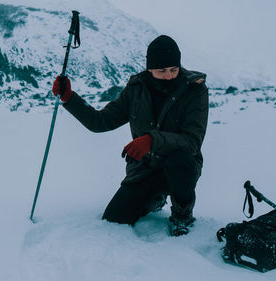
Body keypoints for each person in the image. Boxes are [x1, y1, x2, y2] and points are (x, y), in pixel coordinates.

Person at [52, 35, 209, 236]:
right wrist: (69, 98)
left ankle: (182, 214)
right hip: (145, 168)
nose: (169, 76)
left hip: (180, 166)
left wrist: (152, 140)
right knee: (114, 219)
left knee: (181, 161)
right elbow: (101, 121)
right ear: (150, 69)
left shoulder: (194, 90)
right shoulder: (136, 89)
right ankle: (154, 198)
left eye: (173, 70)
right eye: (162, 71)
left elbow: (192, 142)